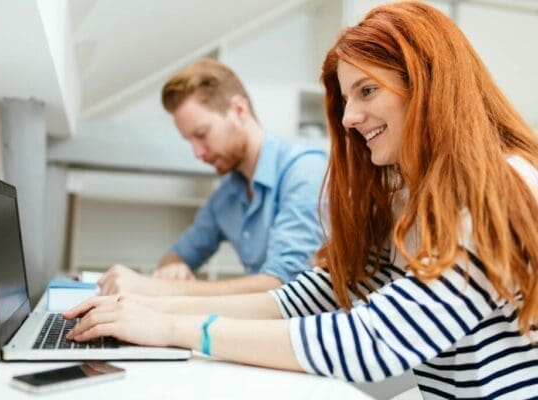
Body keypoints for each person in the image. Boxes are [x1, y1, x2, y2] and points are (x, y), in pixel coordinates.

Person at [65, 2, 538, 398]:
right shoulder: (406, 196)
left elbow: (373, 341)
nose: (350, 117)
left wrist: (172, 329)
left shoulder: (502, 184)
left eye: (367, 90)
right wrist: (151, 312)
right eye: (346, 98)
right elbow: (308, 296)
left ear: (429, 83)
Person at [97, 59, 327, 296]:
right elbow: (177, 254)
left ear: (239, 110)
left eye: (202, 134)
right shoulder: (226, 195)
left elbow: (283, 286)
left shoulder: (305, 170)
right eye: (190, 141)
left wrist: (162, 288)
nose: (197, 153)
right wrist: (173, 268)